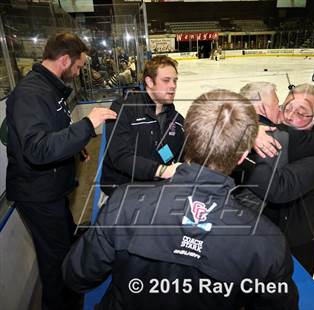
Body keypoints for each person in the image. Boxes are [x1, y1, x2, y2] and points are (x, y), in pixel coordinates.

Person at [63, 89, 299, 310]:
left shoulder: (125, 203)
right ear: (243, 156)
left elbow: (78, 276)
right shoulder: (267, 242)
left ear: (189, 136)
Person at [6, 32, 117, 310]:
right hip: (38, 194)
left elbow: (51, 132)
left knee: (65, 248)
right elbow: (37, 149)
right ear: (65, 60)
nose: (79, 73)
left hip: (52, 190)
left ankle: (70, 298)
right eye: (78, 67)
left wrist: (74, 145)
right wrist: (86, 127)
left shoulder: (49, 89)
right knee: (55, 262)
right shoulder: (31, 94)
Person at [237, 82, 314, 276]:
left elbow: (281, 188)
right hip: (260, 233)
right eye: (287, 107)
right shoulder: (265, 130)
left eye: (302, 112)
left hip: (297, 239)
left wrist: (240, 158)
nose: (290, 116)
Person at [101, 55, 184, 197]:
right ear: (149, 82)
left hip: (156, 190)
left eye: (175, 80)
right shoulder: (124, 108)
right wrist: (162, 171)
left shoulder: (177, 120)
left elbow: (180, 156)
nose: (173, 85)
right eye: (166, 80)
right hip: (122, 190)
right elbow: (121, 158)